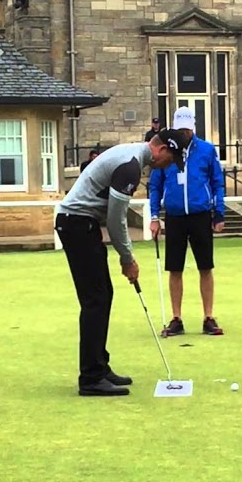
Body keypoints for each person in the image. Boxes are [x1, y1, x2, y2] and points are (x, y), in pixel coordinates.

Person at [57, 129, 190, 396]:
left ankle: (99, 366)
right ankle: (91, 378)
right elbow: (117, 220)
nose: (168, 166)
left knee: (103, 295)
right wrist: (128, 259)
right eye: (171, 159)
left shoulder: (132, 158)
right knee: (95, 299)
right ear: (162, 150)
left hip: (82, 224)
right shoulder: (130, 167)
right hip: (76, 224)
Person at [148, 106, 226, 337]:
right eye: (181, 130)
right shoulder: (166, 152)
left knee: (205, 267)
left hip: (200, 213)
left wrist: (219, 212)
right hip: (174, 216)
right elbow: (155, 186)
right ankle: (176, 318)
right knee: (175, 269)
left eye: (188, 129)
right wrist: (154, 216)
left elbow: (216, 182)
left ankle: (208, 317)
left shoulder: (206, 150)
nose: (185, 134)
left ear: (193, 127)